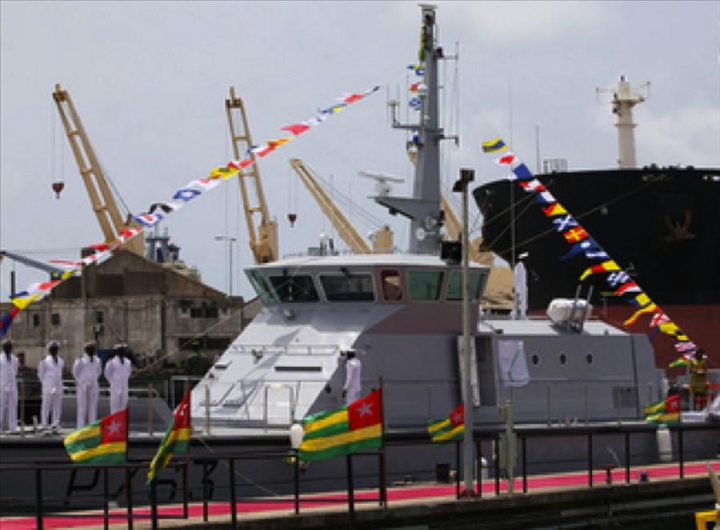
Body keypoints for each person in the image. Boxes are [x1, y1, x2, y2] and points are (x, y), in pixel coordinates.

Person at [72, 341, 102, 428]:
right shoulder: (80, 360)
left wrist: (93, 379)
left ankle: (92, 426)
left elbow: (99, 371)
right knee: (82, 408)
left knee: (93, 407)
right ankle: (81, 427)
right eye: (93, 349)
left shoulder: (97, 360)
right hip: (83, 386)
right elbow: (75, 372)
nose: (94, 350)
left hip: (93, 385)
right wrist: (81, 381)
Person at [38, 340, 65, 433]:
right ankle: (44, 424)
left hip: (58, 385)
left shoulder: (61, 361)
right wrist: (45, 383)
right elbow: (41, 374)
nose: (55, 351)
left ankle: (55, 424)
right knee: (46, 405)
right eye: (53, 349)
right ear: (49, 350)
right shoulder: (44, 361)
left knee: (57, 405)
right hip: (48, 385)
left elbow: (60, 373)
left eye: (56, 349)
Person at [104, 343, 132, 414]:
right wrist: (114, 381)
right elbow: (107, 374)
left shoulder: (128, 362)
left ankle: (122, 424)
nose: (122, 352)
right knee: (115, 407)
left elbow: (128, 373)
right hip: (115, 387)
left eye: (123, 351)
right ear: (117, 352)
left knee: (123, 407)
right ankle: (115, 424)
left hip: (124, 386)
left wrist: (124, 380)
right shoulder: (111, 362)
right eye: (120, 351)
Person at [0, 339, 19, 434]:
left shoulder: (15, 359)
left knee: (13, 406)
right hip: (2, 385)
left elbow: (15, 371)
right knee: (1, 406)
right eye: (7, 347)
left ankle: (12, 427)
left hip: (12, 385)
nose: (9, 349)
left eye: (10, 347)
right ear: (3, 348)